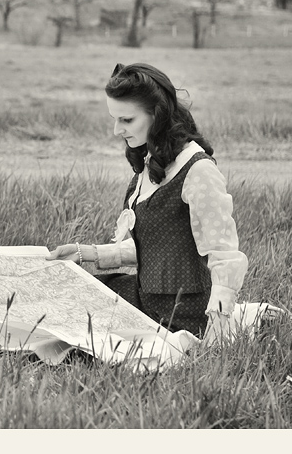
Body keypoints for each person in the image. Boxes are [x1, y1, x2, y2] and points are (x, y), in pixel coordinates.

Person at [46, 63, 248, 342]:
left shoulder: (197, 170)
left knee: (72, 319)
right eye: (114, 119)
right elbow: (161, 245)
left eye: (126, 120)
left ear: (157, 116)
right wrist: (86, 253)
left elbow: (224, 253)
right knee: (64, 293)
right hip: (147, 299)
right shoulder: (154, 161)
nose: (117, 130)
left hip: (180, 312)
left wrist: (219, 327)